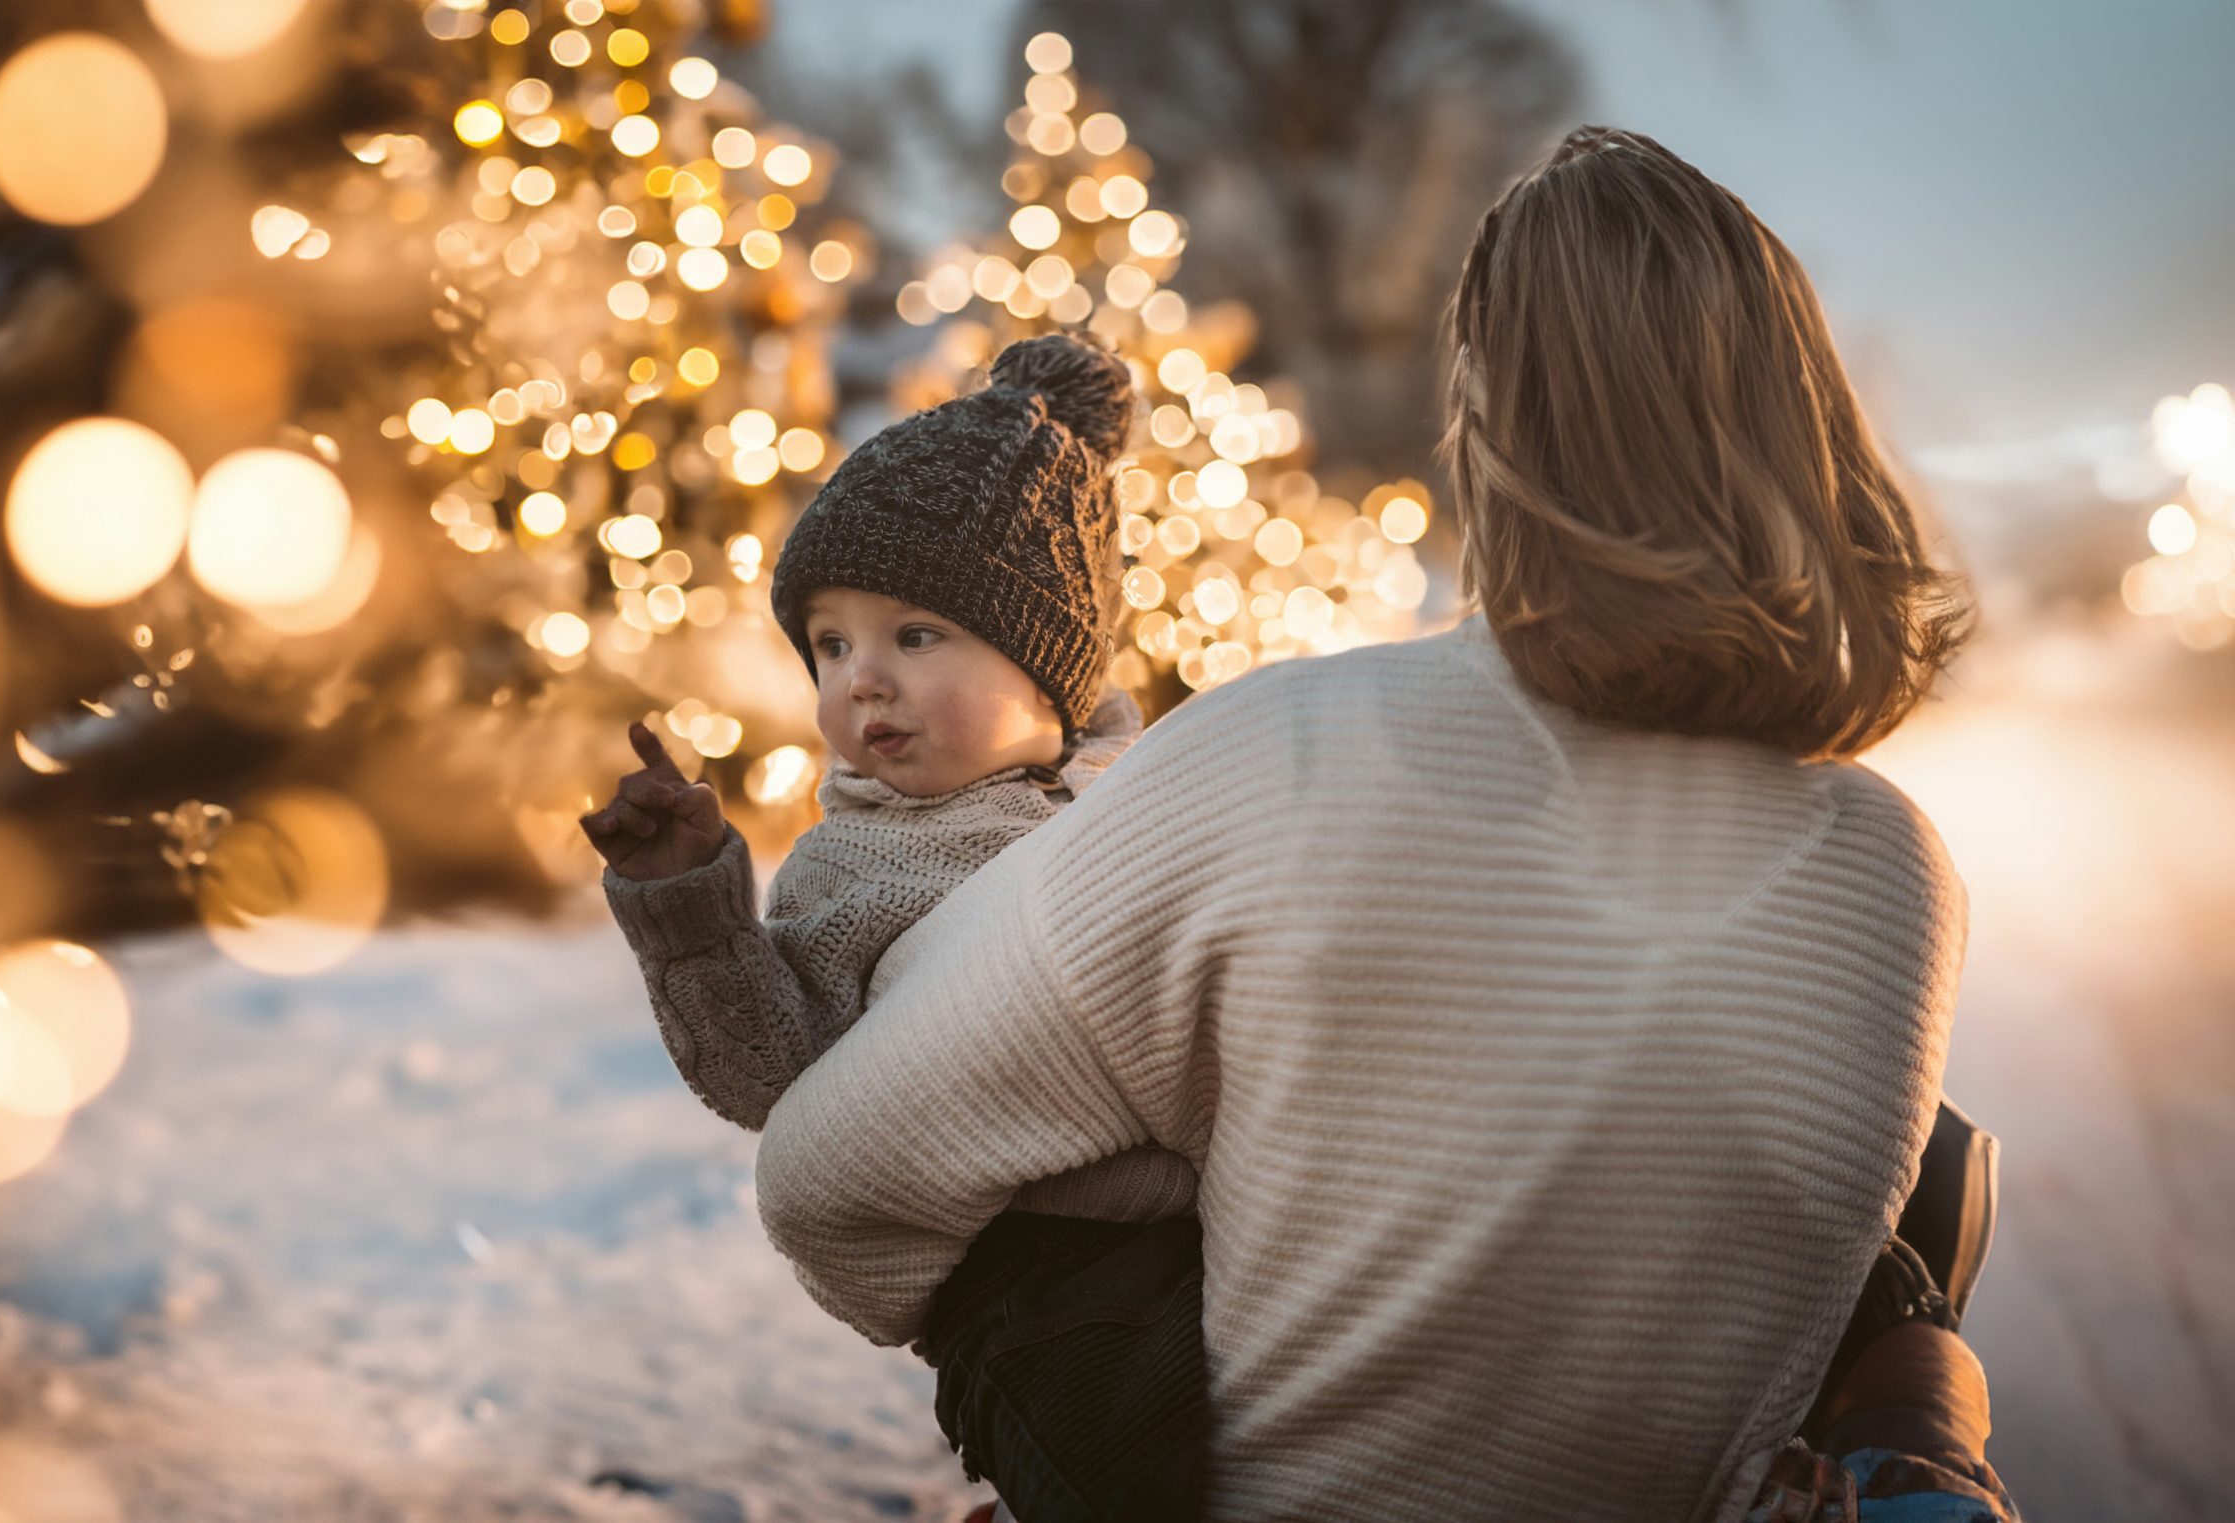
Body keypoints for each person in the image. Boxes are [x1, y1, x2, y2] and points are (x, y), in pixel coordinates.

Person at [750, 127, 2018, 1521]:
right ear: (1812, 419)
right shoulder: (1893, 873)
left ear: (1482, 417)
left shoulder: (1276, 752)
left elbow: (832, 1178)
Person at [581, 332, 1210, 1521]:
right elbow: (770, 1068)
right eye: (832, 643)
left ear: (1047, 665)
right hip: (1031, 1272)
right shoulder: (857, 856)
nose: (862, 678)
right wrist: (691, 905)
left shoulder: (1145, 783)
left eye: (915, 635)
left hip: (1203, 1231)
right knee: (1127, 1462)